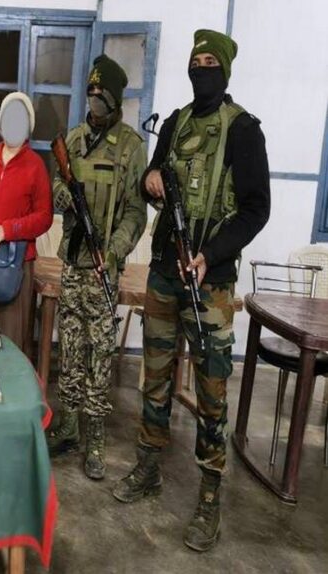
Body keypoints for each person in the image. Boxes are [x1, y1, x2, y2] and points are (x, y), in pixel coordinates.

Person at [112, 30, 270, 552]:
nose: (201, 69)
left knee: (211, 389)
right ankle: (149, 465)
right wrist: (151, 180)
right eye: (195, 61)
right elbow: (151, 176)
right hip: (164, 271)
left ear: (224, 69)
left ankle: (209, 493)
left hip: (211, 283)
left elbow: (256, 209)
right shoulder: (177, 122)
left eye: (209, 62)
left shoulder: (243, 129)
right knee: (154, 376)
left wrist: (212, 254)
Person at [46, 55, 147, 480]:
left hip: (104, 269)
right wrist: (62, 194)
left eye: (101, 97)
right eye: (90, 96)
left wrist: (115, 250)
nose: (94, 103)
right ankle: (68, 426)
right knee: (69, 345)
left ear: (115, 99)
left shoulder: (131, 147)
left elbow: (136, 211)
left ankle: (96, 439)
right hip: (73, 265)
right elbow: (57, 182)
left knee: (100, 354)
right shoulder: (73, 139)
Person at [0, 91, 52, 350]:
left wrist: (9, 230)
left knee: (11, 343)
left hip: (17, 266)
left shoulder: (35, 166)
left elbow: (45, 217)